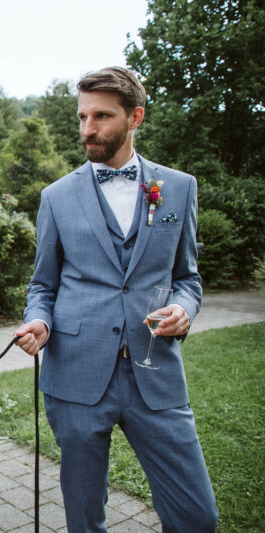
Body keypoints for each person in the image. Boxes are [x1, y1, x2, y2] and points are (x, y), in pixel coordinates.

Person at [14, 67, 217, 532]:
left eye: (101, 116)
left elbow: (188, 277)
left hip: (155, 373)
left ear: (135, 117)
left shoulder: (179, 188)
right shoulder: (56, 196)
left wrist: (184, 309)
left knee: (197, 517)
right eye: (82, 117)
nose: (88, 129)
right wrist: (39, 322)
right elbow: (42, 285)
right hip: (77, 378)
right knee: (84, 520)